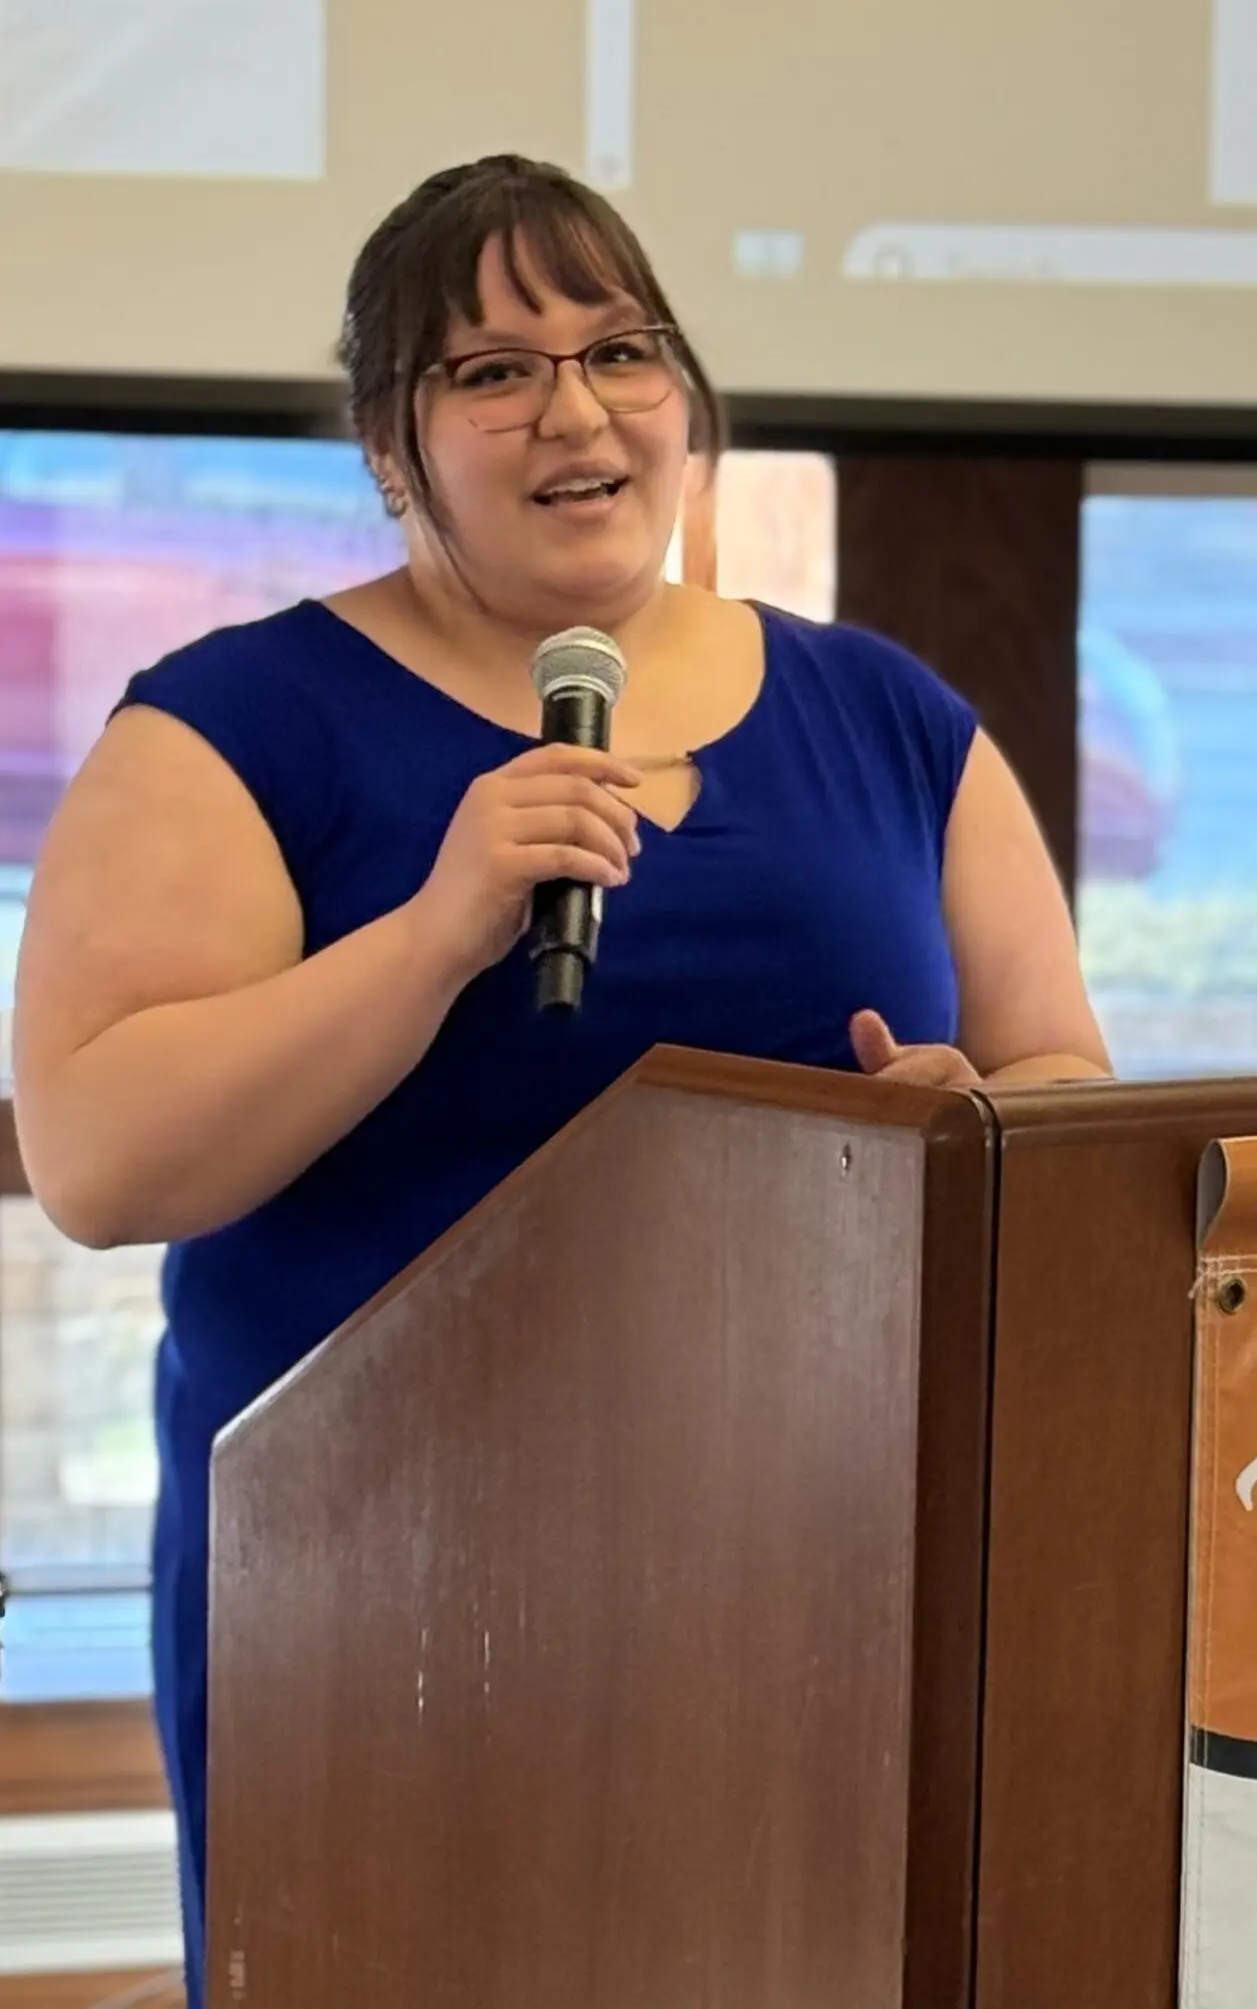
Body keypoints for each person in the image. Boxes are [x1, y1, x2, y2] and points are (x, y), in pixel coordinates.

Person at [11, 153, 1110, 2004]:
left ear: (686, 404)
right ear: (393, 444)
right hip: (384, 1586)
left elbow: (1060, 1083)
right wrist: (439, 928)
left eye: (621, 351)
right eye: (492, 370)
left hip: (823, 1573)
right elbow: (103, 1163)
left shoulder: (890, 719)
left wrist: (974, 1125)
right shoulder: (231, 721)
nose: (575, 411)